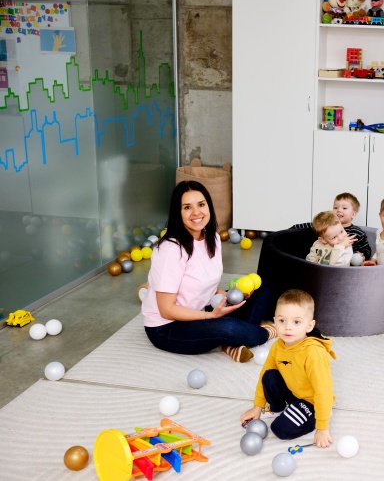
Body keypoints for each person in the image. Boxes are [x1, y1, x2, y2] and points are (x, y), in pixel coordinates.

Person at [142, 180, 276, 363]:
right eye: (187, 207)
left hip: (200, 311)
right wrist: (210, 316)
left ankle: (233, 342)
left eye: (201, 204)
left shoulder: (212, 237)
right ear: (177, 213)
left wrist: (233, 296)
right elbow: (167, 310)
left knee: (263, 287)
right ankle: (265, 332)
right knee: (228, 327)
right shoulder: (170, 250)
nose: (196, 212)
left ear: (209, 206)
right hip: (168, 327)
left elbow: (207, 285)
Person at [240, 289, 336, 447]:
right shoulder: (278, 346)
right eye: (282, 321)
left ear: (309, 326)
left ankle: (314, 418)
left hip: (310, 402)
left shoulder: (313, 353)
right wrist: (257, 407)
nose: (287, 327)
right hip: (293, 392)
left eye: (296, 322)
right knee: (269, 376)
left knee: (280, 429)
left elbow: (323, 391)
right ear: (274, 321)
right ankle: (278, 408)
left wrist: (322, 427)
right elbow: (264, 374)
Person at [292, 192, 372, 259]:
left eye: (344, 208)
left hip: (347, 264)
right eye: (335, 207)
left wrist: (363, 255)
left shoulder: (357, 232)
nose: (339, 210)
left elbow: (366, 248)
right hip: (326, 262)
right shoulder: (326, 225)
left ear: (353, 214)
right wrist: (292, 229)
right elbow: (311, 225)